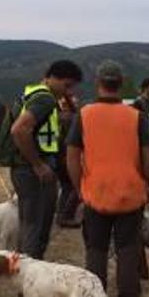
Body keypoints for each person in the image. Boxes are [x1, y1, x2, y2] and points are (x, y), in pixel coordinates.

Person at [67, 61, 149, 297]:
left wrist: (78, 187)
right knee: (128, 251)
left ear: (98, 83)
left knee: (96, 250)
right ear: (121, 83)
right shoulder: (136, 116)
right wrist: (144, 181)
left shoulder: (84, 115)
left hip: (96, 194)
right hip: (130, 194)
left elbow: (72, 156)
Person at [10, 60, 83, 260]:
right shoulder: (45, 100)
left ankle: (22, 269)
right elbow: (19, 130)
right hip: (34, 171)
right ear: (51, 78)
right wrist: (38, 164)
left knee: (28, 223)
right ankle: (30, 275)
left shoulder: (32, 94)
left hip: (24, 169)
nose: (68, 92)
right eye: (66, 85)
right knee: (37, 226)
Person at [56, 94, 81, 228]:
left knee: (65, 187)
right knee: (74, 186)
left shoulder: (57, 117)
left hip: (57, 156)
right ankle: (66, 215)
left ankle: (61, 214)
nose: (76, 104)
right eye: (75, 103)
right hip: (67, 156)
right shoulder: (72, 119)